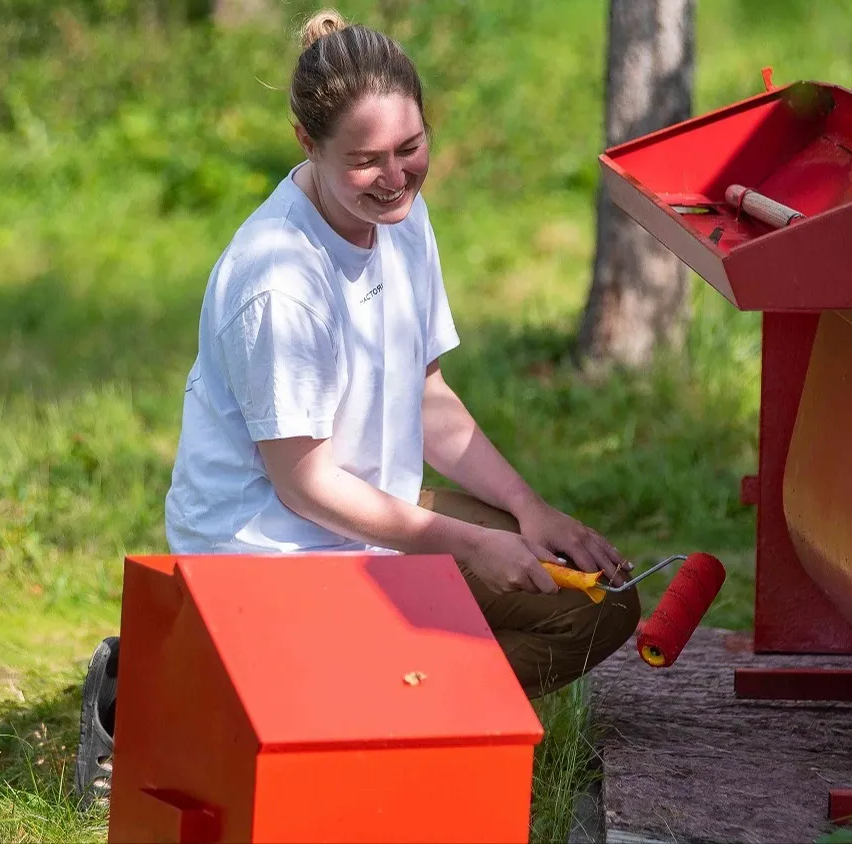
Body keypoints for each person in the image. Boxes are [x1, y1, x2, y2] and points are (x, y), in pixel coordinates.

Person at [73, 8, 640, 810]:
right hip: (269, 555)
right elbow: (305, 487)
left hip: (376, 527)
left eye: (411, 150)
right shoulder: (278, 280)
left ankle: (372, 708)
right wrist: (469, 543)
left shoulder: (402, 219)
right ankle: (177, 693)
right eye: (367, 161)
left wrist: (526, 509)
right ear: (308, 143)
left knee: (600, 601)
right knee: (422, 657)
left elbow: (427, 395)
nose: (398, 176)